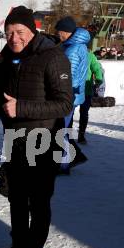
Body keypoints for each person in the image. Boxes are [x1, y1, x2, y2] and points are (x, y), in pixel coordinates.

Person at [0, 6, 73, 248]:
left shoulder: (53, 57)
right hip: (16, 141)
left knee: (38, 204)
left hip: (44, 142)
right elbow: (2, 97)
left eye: (20, 32)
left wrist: (22, 108)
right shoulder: (8, 57)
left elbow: (65, 102)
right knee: (16, 199)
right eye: (9, 32)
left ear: (32, 30)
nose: (14, 37)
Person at [55, 16, 90, 175]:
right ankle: (70, 159)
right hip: (73, 96)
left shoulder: (73, 50)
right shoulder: (77, 46)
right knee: (64, 129)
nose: (58, 35)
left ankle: (63, 165)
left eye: (59, 32)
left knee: (60, 131)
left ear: (66, 32)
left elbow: (66, 75)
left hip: (67, 96)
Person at [78, 48, 104, 144]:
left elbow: (97, 69)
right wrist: (98, 81)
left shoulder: (71, 51)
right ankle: (81, 136)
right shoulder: (90, 55)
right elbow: (97, 69)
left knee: (71, 113)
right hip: (85, 89)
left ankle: (72, 136)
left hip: (77, 88)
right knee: (83, 113)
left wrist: (98, 80)